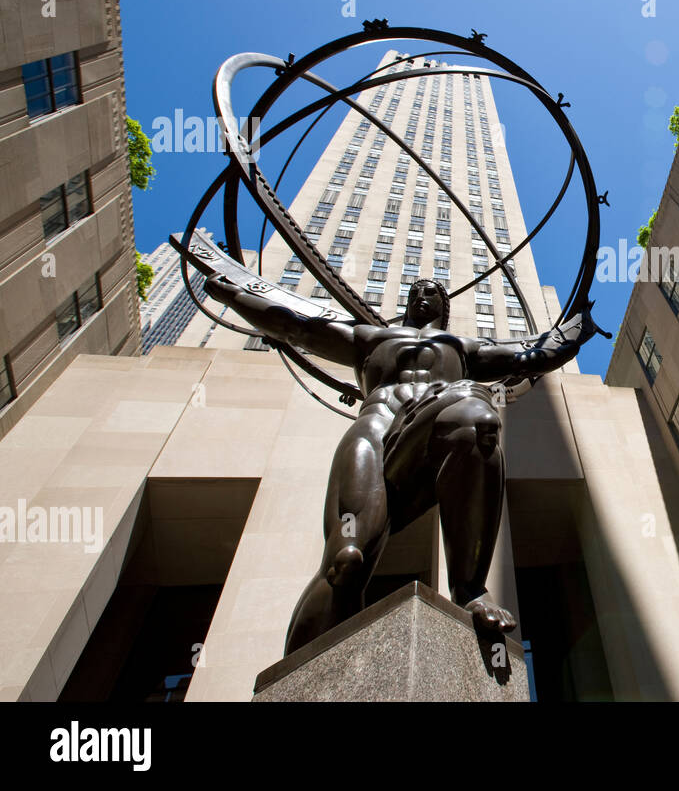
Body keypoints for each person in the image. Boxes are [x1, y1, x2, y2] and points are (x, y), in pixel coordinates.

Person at [203, 273, 596, 654]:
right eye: (416, 291)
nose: (422, 295)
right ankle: (296, 680)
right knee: (346, 561)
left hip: (433, 421)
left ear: (445, 305)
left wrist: (576, 330)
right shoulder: (369, 336)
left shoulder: (464, 347)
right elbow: (293, 325)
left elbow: (531, 356)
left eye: (431, 292)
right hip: (375, 426)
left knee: (478, 420)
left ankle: (470, 588)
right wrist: (233, 295)